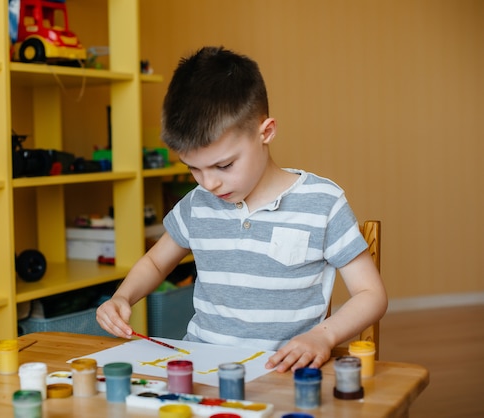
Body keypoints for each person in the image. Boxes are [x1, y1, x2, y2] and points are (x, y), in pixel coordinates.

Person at [96, 46, 387, 373]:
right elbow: (154, 261)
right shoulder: (197, 204)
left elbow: (370, 293)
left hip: (283, 371)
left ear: (266, 132)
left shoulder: (322, 203)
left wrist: (324, 336)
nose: (209, 183)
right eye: (193, 168)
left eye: (224, 165)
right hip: (200, 367)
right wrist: (122, 297)